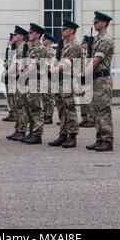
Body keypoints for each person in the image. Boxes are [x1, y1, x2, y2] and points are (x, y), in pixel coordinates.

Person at [48, 19, 82, 148]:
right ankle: (63, 134)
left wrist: (51, 70)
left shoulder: (74, 45)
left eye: (65, 29)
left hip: (68, 79)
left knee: (69, 108)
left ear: (72, 30)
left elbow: (66, 65)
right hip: (59, 79)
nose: (62, 31)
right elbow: (57, 60)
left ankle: (72, 136)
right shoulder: (64, 44)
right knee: (61, 109)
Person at [84, 11, 115, 152]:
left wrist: (84, 73)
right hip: (95, 79)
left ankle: (107, 141)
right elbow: (89, 58)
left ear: (104, 23)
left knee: (103, 110)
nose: (94, 23)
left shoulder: (106, 39)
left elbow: (96, 60)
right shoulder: (96, 39)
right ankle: (99, 139)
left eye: (97, 22)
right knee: (95, 111)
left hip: (102, 79)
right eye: (94, 21)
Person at [17, 23, 47, 145]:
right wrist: (21, 73)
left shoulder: (40, 48)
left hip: (35, 80)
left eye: (31, 32)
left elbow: (33, 66)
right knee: (28, 107)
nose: (28, 34)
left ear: (38, 35)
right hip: (27, 79)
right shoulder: (30, 48)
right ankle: (31, 131)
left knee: (35, 108)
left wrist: (22, 73)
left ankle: (37, 134)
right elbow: (23, 63)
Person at [6, 26, 29, 141]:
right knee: (16, 106)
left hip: (19, 80)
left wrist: (7, 74)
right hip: (14, 79)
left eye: (15, 35)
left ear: (20, 36)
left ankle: (22, 130)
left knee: (20, 106)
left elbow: (17, 66)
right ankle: (18, 128)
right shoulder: (18, 49)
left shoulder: (23, 48)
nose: (13, 37)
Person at [78, 36, 95, 127]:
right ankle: (84, 118)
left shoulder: (91, 53)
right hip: (82, 77)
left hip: (89, 77)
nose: (82, 44)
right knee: (82, 100)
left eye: (84, 43)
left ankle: (91, 119)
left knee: (89, 100)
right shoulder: (83, 53)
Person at [41, 32, 55, 125]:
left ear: (49, 41)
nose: (42, 41)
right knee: (44, 96)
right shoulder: (44, 51)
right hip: (43, 75)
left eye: (44, 39)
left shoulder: (50, 52)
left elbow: (50, 64)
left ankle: (49, 116)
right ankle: (45, 114)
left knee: (48, 97)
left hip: (48, 76)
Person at [2, 33, 16, 122]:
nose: (9, 42)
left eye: (10, 40)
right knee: (9, 96)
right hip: (8, 76)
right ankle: (11, 112)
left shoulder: (15, 51)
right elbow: (6, 62)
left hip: (13, 77)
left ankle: (14, 113)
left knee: (14, 97)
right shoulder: (10, 51)